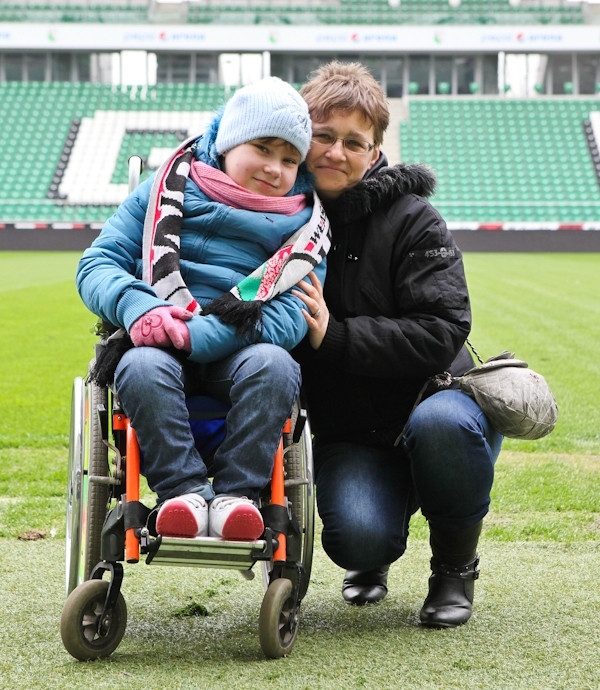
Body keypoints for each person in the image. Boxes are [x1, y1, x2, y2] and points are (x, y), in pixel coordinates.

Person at [291, 62, 503, 628]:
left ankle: (455, 569)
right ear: (299, 134)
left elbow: (442, 330)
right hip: (352, 429)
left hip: (435, 398)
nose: (336, 152)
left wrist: (334, 336)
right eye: (324, 136)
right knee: (359, 541)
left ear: (375, 150)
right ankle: (378, 547)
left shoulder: (414, 220)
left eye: (354, 142)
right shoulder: (274, 216)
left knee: (443, 430)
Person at [76, 77, 329, 543]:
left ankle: (238, 498)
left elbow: (293, 314)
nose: (276, 168)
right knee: (141, 365)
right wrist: (136, 307)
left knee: (275, 365)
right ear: (230, 141)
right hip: (157, 336)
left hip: (239, 350)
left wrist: (203, 335)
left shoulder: (307, 230)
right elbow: (97, 263)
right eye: (264, 148)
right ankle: (183, 495)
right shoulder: (164, 187)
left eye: (290, 159)